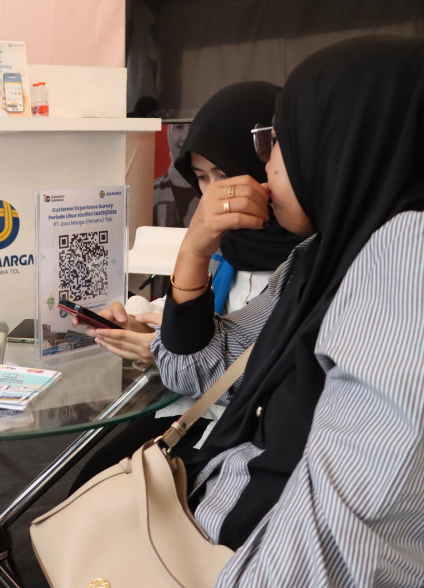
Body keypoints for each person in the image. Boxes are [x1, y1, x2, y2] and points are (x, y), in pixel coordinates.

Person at [164, 36, 424, 584]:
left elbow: (338, 542)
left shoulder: (405, 262)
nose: (265, 168)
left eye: (280, 141)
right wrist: (193, 251)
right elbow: (198, 368)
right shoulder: (319, 259)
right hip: (217, 525)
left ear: (343, 141)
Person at [69, 82, 303, 492]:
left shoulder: (304, 259)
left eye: (226, 176)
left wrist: (164, 348)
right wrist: (147, 324)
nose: (214, 196)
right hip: (192, 410)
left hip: (246, 430)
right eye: (201, 179)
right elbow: (195, 324)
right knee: (91, 485)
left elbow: (215, 358)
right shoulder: (228, 245)